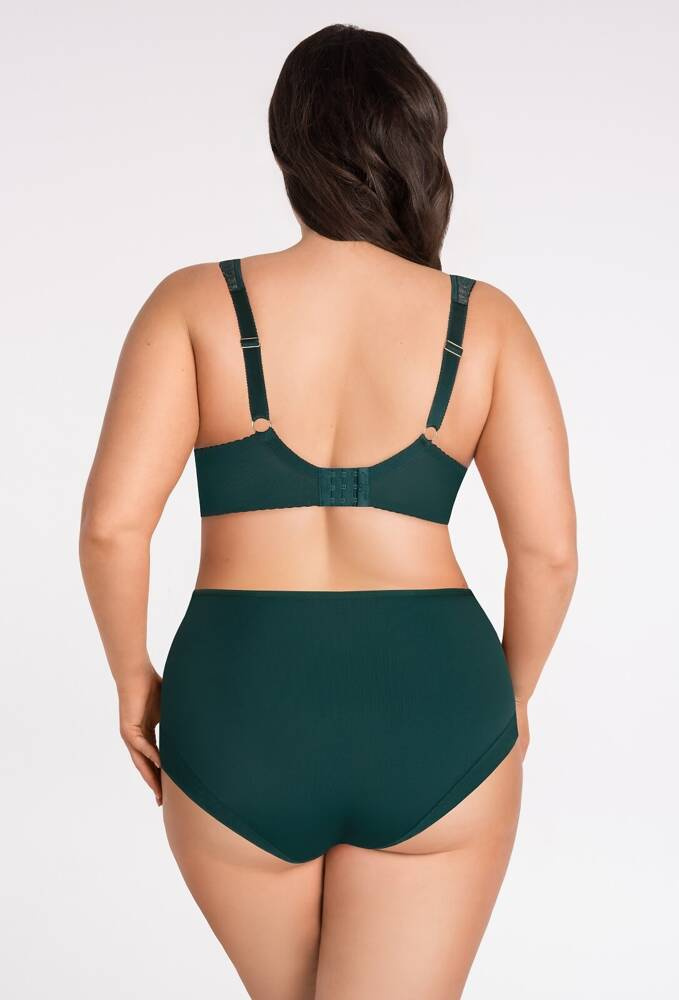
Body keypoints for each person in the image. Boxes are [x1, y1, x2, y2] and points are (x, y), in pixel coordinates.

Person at [79, 23, 578, 1000]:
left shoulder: (195, 304)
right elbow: (549, 553)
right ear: (419, 144)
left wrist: (133, 681)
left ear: (287, 145)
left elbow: (111, 528)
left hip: (238, 706)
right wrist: (512, 695)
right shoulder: (482, 320)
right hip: (434, 704)